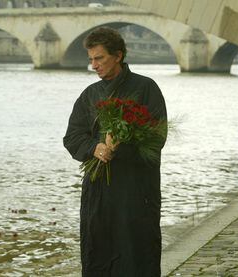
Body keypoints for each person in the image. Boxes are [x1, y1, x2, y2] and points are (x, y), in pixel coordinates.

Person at [63, 27, 167, 276]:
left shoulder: (145, 88)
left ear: (118, 55)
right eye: (90, 59)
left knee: (137, 254)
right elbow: (72, 137)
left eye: (99, 58)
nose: (93, 65)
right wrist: (95, 148)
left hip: (135, 191)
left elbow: (156, 139)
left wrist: (118, 149)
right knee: (97, 252)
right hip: (98, 192)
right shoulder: (89, 95)